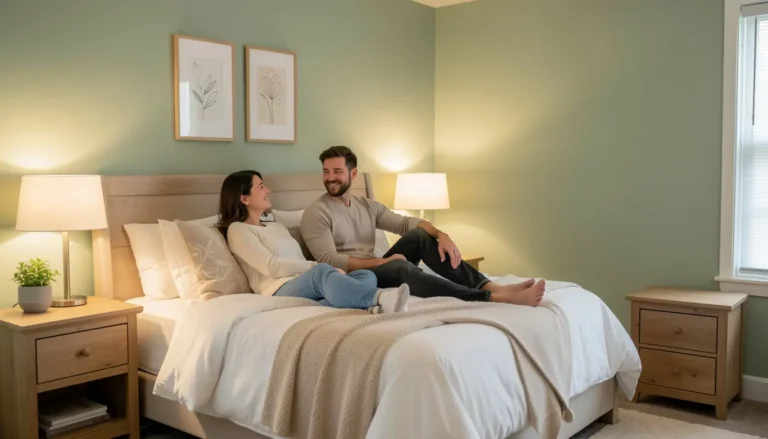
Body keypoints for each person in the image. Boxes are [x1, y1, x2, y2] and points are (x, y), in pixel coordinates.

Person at [299, 146, 545, 307]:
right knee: (401, 267)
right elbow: (330, 260)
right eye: (326, 172)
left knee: (419, 236)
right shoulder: (316, 213)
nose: (330, 177)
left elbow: (406, 223)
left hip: (378, 267)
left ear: (353, 175)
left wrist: (442, 234)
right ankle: (489, 297)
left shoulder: (367, 206)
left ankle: (489, 285)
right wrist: (384, 262)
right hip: (354, 280)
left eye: (337, 171)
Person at [218, 170, 409, 313]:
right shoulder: (238, 230)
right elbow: (271, 267)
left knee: (365, 276)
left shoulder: (277, 227)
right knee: (322, 272)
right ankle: (380, 297)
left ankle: (360, 305)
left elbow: (298, 260)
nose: (268, 190)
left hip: (305, 284)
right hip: (277, 290)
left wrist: (323, 272)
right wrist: (315, 267)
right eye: (261, 187)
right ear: (244, 198)